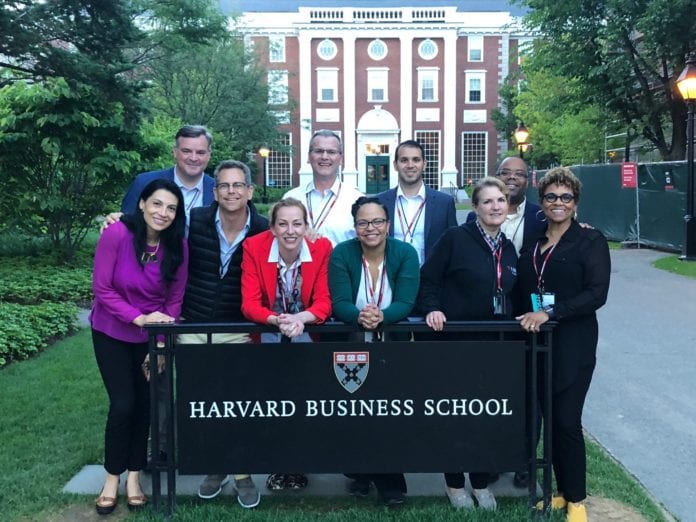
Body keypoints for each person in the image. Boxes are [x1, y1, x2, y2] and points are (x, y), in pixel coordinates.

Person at [515, 167, 610, 522]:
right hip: (538, 343)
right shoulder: (534, 240)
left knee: (567, 421)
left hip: (574, 341)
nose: (558, 203)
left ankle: (577, 498)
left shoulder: (590, 240)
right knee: (550, 421)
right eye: (552, 197)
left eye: (565, 197)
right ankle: (558, 491)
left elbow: (597, 294)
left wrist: (551, 312)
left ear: (576, 202)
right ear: (542, 201)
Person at [418, 177, 518, 511]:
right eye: (487, 201)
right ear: (474, 207)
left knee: (486, 416)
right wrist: (432, 308)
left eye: (500, 200)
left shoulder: (508, 247)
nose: (495, 207)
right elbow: (429, 279)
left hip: (494, 345)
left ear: (508, 205)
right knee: (456, 414)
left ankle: (480, 480)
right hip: (456, 343)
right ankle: (454, 482)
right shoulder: (455, 239)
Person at [90, 179, 188, 515]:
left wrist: (159, 341)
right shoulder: (116, 234)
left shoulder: (178, 247)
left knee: (145, 405)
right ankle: (111, 478)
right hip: (112, 332)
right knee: (123, 404)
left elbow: (174, 301)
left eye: (171, 208)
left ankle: (134, 477)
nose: (163, 213)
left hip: (152, 338)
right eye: (157, 204)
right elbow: (102, 289)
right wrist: (140, 319)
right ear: (142, 204)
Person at [180, 160, 267, 507]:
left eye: (238, 185)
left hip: (236, 327)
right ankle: (214, 465)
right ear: (214, 192)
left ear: (249, 191)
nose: (231, 192)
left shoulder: (263, 229)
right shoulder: (196, 220)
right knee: (201, 403)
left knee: (237, 402)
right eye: (224, 186)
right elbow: (153, 232)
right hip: (195, 324)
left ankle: (242, 472)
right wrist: (120, 219)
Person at [328, 196, 420, 508]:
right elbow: (338, 301)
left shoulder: (405, 253)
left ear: (387, 224)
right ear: (355, 228)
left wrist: (382, 316)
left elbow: (406, 301)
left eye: (377, 221)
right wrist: (359, 316)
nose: (371, 228)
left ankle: (392, 482)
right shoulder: (342, 253)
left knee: (388, 411)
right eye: (364, 222)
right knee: (355, 411)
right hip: (352, 344)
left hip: (392, 343)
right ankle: (360, 474)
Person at [240, 198, 333, 491]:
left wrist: (301, 319)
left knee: (304, 399)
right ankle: (276, 463)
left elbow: (324, 301)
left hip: (304, 330)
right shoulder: (254, 247)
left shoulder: (321, 248)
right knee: (272, 399)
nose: (290, 231)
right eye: (283, 223)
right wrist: (276, 320)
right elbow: (249, 304)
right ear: (272, 227)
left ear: (307, 226)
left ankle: (300, 462)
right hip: (269, 330)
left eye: (297, 223)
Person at [466, 156, 545, 488]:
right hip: (490, 322)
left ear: (528, 180)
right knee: (491, 392)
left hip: (529, 316)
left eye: (520, 175)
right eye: (506, 174)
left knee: (529, 393)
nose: (513, 179)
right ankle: (495, 458)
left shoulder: (542, 215)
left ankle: (525, 459)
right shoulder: (473, 222)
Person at [377, 139, 457, 266]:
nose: (410, 165)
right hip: (391, 280)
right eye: (404, 160)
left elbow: (454, 244)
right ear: (395, 165)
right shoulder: (379, 202)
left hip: (430, 280)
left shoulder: (444, 203)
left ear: (424, 164)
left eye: (416, 160)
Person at [283, 129, 363, 246]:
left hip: (340, 264)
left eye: (331, 152)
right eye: (319, 151)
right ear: (309, 157)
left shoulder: (357, 200)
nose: (324, 157)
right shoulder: (291, 198)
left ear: (341, 159)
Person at [121, 125, 215, 217]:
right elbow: (125, 226)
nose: (193, 158)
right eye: (186, 151)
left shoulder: (220, 190)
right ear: (175, 152)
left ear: (209, 155)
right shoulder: (144, 182)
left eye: (200, 152)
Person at [467, 156, 545, 256]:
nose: (512, 177)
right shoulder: (475, 216)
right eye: (505, 173)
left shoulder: (540, 217)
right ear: (496, 178)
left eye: (519, 174)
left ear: (527, 182)